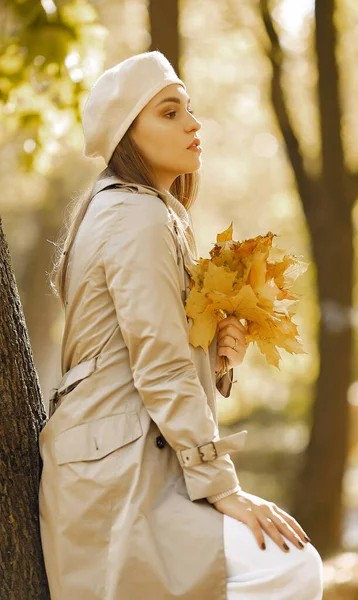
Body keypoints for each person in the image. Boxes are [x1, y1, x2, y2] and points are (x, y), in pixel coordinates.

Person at [39, 51, 323, 600]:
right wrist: (225, 488)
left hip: (127, 467)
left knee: (289, 566)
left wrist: (216, 358)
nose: (193, 124)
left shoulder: (144, 212)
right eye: (169, 113)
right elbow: (159, 365)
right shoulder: (133, 215)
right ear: (128, 134)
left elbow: (138, 353)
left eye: (189, 110)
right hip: (115, 482)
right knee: (290, 567)